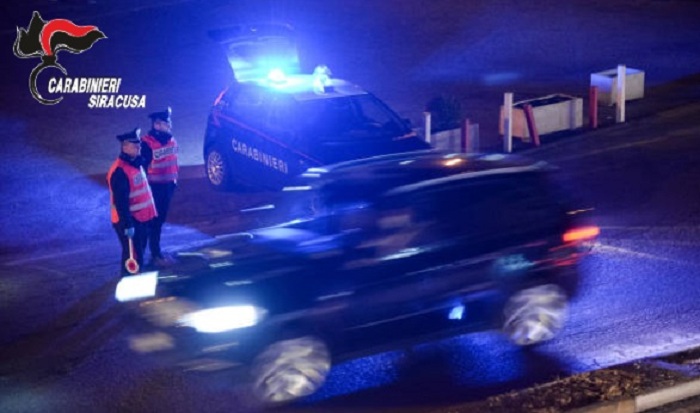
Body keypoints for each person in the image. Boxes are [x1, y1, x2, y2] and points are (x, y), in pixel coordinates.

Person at [107, 128, 157, 275]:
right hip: (130, 221)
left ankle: (131, 277)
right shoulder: (120, 171)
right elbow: (121, 202)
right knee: (133, 256)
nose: (138, 148)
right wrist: (128, 224)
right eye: (135, 146)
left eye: (139, 145)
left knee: (138, 251)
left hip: (141, 218)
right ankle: (130, 279)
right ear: (125, 147)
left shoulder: (136, 163)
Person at [141, 107, 179, 267]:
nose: (169, 125)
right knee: (152, 223)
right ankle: (152, 254)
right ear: (157, 125)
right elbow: (141, 168)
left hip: (168, 187)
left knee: (159, 221)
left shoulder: (171, 140)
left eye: (168, 122)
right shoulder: (147, 143)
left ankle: (154, 253)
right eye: (166, 123)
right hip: (153, 188)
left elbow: (173, 162)